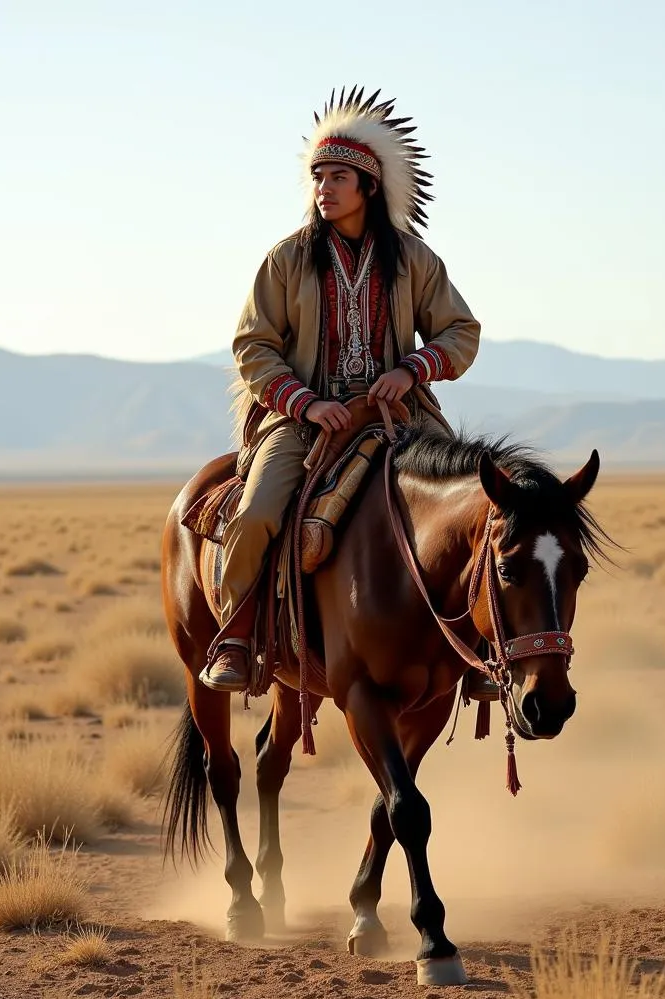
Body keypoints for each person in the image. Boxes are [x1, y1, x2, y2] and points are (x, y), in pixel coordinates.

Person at [201, 87, 486, 694]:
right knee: (254, 515)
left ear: (369, 186)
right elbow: (253, 345)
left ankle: (481, 652)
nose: (323, 188)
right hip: (304, 420)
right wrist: (308, 402)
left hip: (397, 417)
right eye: (317, 176)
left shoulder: (415, 260)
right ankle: (240, 633)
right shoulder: (286, 260)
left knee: (472, 501)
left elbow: (461, 332)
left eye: (337, 177)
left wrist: (412, 369)